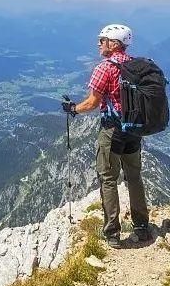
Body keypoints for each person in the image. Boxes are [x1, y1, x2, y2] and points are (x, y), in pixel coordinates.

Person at [62, 23, 150, 247]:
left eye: (102, 40)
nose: (98, 44)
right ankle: (141, 226)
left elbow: (93, 102)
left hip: (112, 131)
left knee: (108, 179)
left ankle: (112, 232)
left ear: (113, 43)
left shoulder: (105, 68)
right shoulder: (136, 65)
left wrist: (73, 109)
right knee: (134, 177)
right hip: (134, 130)